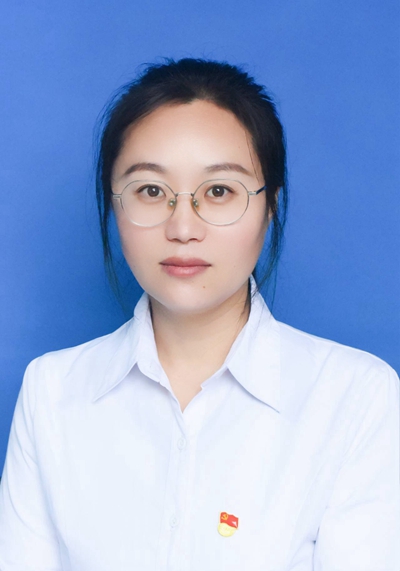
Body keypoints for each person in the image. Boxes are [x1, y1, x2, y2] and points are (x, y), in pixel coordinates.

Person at [0, 58, 398, 571]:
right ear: (114, 204)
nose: (183, 228)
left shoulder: (355, 397)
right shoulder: (52, 391)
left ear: (270, 206)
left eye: (219, 191)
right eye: (150, 191)